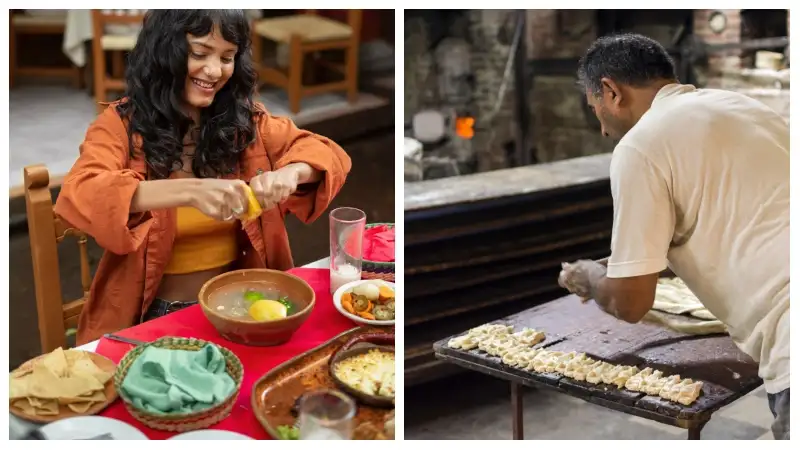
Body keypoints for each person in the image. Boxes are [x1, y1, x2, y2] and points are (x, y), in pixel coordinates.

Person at [54, 10, 351, 345]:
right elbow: (82, 190)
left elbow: (327, 153)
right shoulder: (120, 125)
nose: (214, 71)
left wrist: (290, 173)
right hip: (153, 317)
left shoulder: (244, 121)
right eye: (199, 54)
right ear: (166, 51)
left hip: (241, 307)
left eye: (227, 57)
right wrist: (188, 191)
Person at [557, 33, 789, 439]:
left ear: (611, 91)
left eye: (596, 110)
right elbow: (745, 213)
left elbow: (631, 301)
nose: (602, 129)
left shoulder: (640, 146)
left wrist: (590, 277)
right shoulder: (743, 106)